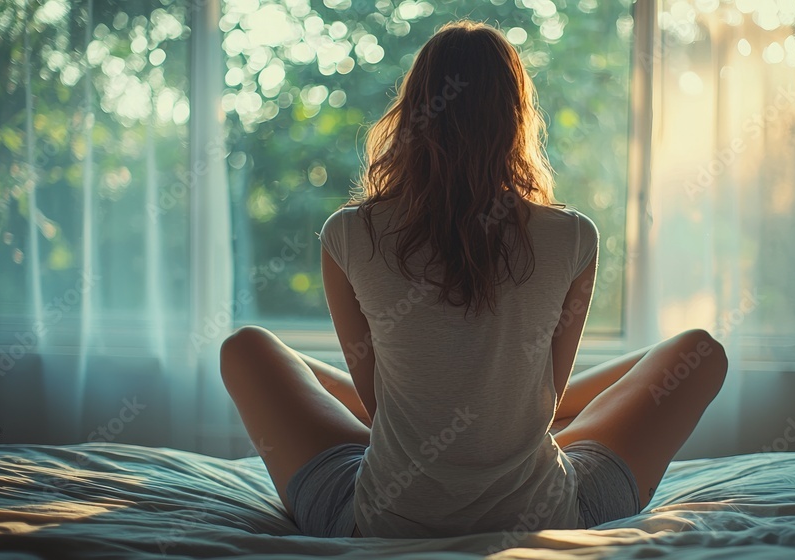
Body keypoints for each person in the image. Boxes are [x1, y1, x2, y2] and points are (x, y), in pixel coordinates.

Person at [219, 20, 728, 541]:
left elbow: (376, 407)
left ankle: (484, 410)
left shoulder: (349, 233)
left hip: (379, 520)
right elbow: (547, 401)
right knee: (700, 352)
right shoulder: (573, 236)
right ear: (516, 117)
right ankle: (493, 415)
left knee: (246, 348)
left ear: (412, 111)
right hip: (547, 512)